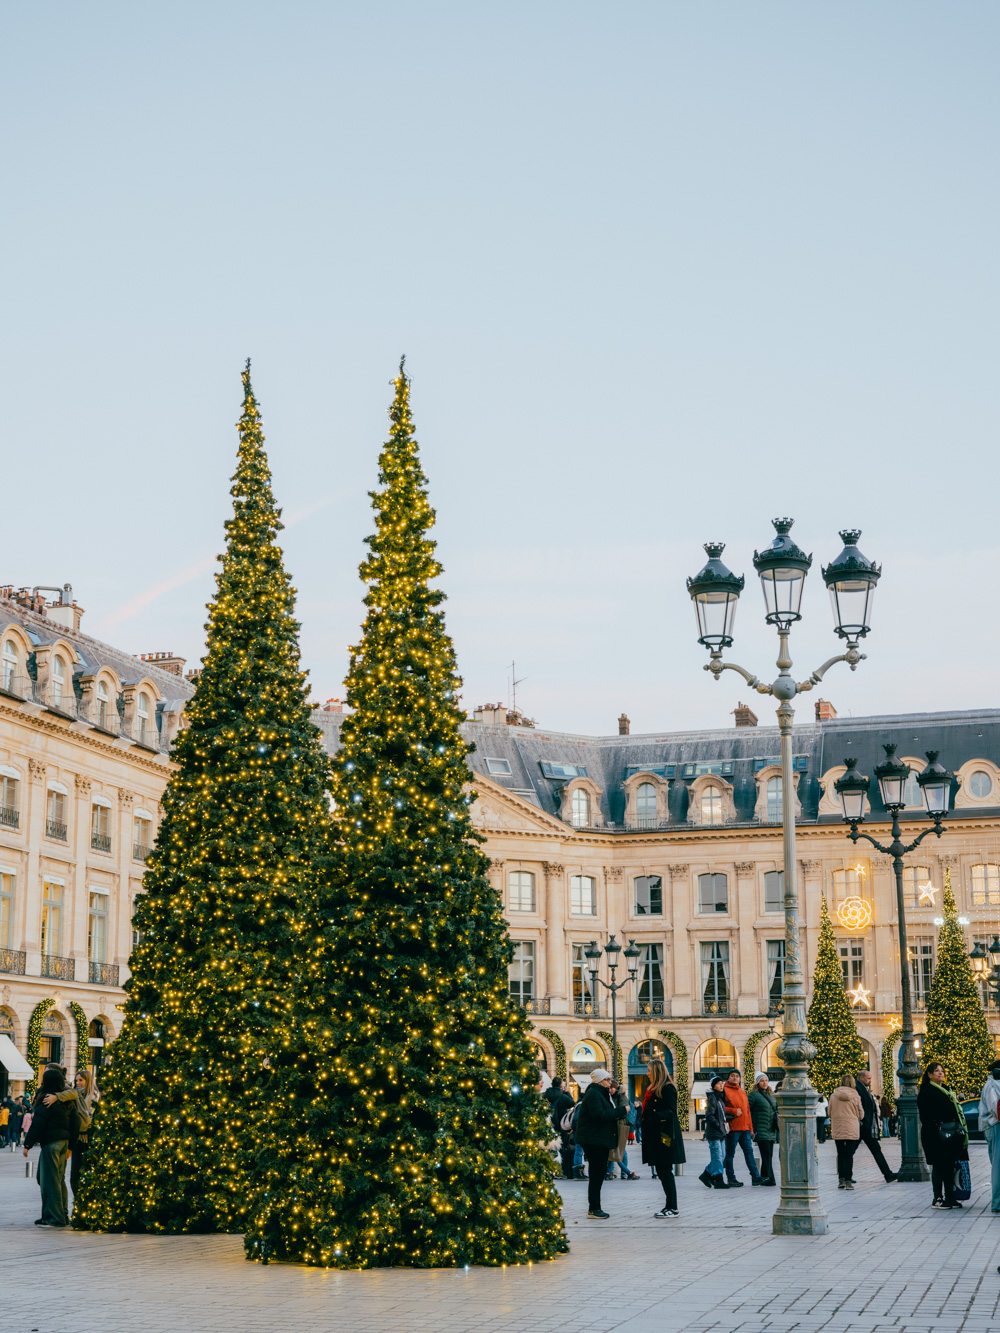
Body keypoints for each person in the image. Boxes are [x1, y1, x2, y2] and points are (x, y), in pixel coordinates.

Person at [23, 1066, 75, 1227]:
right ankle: (58, 1215)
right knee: (57, 1179)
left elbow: (38, 1123)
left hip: (51, 1143)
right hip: (63, 1142)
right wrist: (70, 1145)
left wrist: (27, 1144)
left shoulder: (47, 1098)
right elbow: (73, 1123)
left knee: (49, 1180)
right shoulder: (64, 1099)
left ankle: (54, 1218)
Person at [574, 1068, 628, 1219]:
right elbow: (599, 1115)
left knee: (598, 1174)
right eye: (607, 1079)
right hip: (594, 1140)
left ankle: (595, 1207)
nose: (610, 1082)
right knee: (597, 1174)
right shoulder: (594, 1094)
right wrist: (621, 1110)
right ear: (600, 1081)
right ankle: (594, 1208)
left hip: (597, 1139)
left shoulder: (600, 1093)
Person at [918, 1061, 969, 1210]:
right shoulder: (926, 1092)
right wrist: (938, 1128)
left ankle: (950, 1197)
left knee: (949, 1165)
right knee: (939, 1165)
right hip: (936, 1134)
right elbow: (926, 1117)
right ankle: (938, 1198)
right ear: (929, 1075)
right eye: (936, 1071)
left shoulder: (946, 1090)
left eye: (942, 1071)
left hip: (950, 1133)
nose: (941, 1073)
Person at [44, 1069, 97, 1203]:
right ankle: (79, 1204)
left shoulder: (95, 1097)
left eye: (81, 1080)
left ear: (88, 1081)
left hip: (91, 1140)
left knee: (89, 1174)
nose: (78, 1083)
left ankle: (88, 1204)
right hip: (77, 1140)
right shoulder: (74, 1095)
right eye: (76, 1080)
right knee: (75, 1176)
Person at [641, 1059, 685, 1217]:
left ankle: (672, 1207)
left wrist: (653, 1116)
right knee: (662, 1171)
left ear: (656, 1071)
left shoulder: (667, 1088)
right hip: (656, 1135)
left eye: (649, 1070)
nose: (647, 1073)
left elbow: (671, 1111)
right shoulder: (653, 1089)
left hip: (664, 1136)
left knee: (665, 1171)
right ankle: (669, 1206)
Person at [854, 1071, 897, 1183]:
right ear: (861, 1077)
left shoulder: (863, 1088)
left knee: (874, 1150)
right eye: (868, 1078)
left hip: (866, 1126)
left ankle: (888, 1174)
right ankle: (844, 1177)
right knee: (850, 1151)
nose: (870, 1080)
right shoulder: (858, 1088)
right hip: (864, 1126)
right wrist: (864, 1121)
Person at [723, 1069, 761, 1186]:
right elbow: (720, 1107)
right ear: (728, 1078)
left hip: (744, 1129)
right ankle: (731, 1178)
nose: (735, 1078)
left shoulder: (742, 1092)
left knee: (749, 1153)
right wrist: (733, 1111)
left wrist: (751, 1129)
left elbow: (747, 1112)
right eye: (732, 1076)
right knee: (730, 1154)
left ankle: (755, 1177)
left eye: (737, 1076)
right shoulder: (724, 1090)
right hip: (732, 1128)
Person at [829, 1072, 863, 1189]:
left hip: (838, 1127)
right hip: (851, 1128)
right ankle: (848, 1181)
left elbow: (829, 1112)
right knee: (849, 1155)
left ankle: (841, 1180)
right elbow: (861, 1114)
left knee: (840, 1153)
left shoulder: (833, 1096)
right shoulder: (856, 1096)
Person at [698, 1075, 731, 1190]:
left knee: (721, 1157)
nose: (721, 1085)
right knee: (717, 1157)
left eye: (722, 1083)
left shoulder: (719, 1098)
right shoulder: (712, 1098)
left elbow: (721, 1115)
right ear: (713, 1086)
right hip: (714, 1133)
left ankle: (706, 1174)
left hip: (721, 1132)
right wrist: (718, 1125)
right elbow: (709, 1115)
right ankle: (718, 1180)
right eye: (718, 1084)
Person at [748, 1073, 778, 1186]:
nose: (764, 1082)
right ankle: (771, 1179)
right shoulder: (753, 1095)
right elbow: (747, 1111)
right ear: (757, 1083)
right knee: (766, 1154)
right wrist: (752, 1127)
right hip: (760, 1129)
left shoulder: (771, 1095)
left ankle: (764, 1177)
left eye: (766, 1080)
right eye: (762, 1081)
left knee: (769, 1155)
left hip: (771, 1130)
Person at [979, 1059, 1000, 1214]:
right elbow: (996, 1109)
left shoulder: (994, 1084)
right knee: (998, 1166)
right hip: (995, 1126)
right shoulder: (993, 1085)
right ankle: (997, 1203)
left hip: (994, 1126)